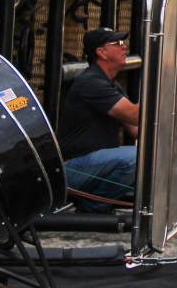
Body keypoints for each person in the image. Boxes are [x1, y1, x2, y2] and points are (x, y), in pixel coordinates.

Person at [56, 28, 139, 212]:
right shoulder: (91, 82)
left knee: (148, 154)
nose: (124, 47)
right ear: (101, 53)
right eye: (117, 44)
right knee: (135, 158)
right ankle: (94, 207)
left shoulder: (112, 84)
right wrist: (162, 87)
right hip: (73, 168)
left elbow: (136, 128)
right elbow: (135, 115)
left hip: (93, 166)